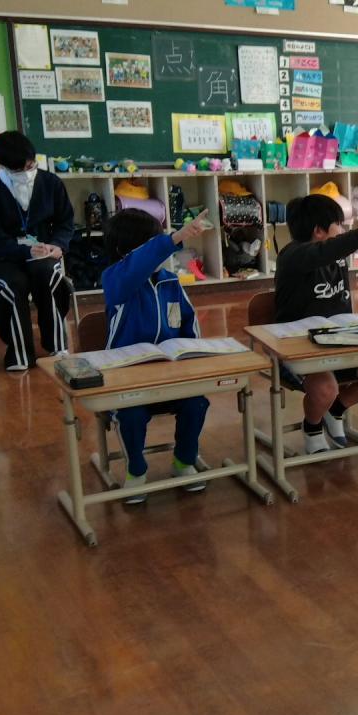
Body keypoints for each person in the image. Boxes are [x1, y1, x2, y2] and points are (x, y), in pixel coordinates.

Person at [275, 194, 358, 454]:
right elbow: (334, 248)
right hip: (296, 349)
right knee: (326, 388)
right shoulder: (293, 256)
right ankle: (312, 426)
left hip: (338, 342)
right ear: (319, 231)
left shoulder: (335, 257)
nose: (344, 230)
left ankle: (335, 410)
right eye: (339, 224)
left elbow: (336, 251)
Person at [100, 208, 214, 504]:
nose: (163, 251)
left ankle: (183, 461)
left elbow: (190, 328)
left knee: (196, 402)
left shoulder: (171, 282)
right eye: (153, 244)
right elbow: (136, 266)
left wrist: (191, 358)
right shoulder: (115, 280)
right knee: (131, 415)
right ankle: (136, 471)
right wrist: (174, 238)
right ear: (126, 252)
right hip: (129, 382)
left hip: (171, 377)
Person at [0, 131, 75, 371]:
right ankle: (19, 353)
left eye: (31, 165)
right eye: (21, 169)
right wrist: (26, 252)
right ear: (3, 165)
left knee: (48, 275)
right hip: (0, 255)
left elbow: (66, 222)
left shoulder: (51, 183)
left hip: (43, 251)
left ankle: (56, 345)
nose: (28, 172)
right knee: (15, 284)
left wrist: (57, 245)